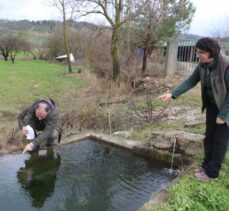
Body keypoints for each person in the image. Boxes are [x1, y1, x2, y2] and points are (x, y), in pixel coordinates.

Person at [158, 37, 229, 181]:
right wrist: (172, 94)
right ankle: (206, 164)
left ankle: (212, 172)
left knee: (220, 140)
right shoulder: (202, 65)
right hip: (212, 105)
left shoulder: (226, 66)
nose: (198, 55)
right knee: (209, 137)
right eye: (197, 52)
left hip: (226, 107)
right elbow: (190, 81)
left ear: (211, 52)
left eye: (201, 52)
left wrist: (224, 115)